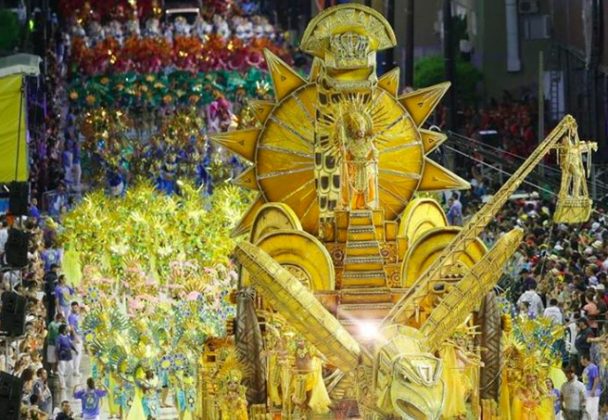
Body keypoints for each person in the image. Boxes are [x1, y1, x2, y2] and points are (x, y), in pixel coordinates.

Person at [56, 324, 77, 402]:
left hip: (69, 355)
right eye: (65, 328)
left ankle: (66, 380)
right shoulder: (59, 337)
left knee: (71, 368)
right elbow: (57, 347)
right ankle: (62, 384)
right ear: (62, 330)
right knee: (61, 370)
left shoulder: (67, 336)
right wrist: (58, 355)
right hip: (62, 356)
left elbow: (70, 344)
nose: (67, 329)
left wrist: (75, 350)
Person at [581, 353, 601, 420]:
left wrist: (593, 390)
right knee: (588, 410)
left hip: (593, 392)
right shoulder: (586, 368)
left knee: (593, 410)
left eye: (581, 359)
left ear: (585, 359)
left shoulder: (593, 367)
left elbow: (596, 378)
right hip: (588, 392)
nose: (580, 361)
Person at [67, 301, 82, 376]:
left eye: (75, 307)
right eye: (73, 308)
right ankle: (75, 370)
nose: (74, 309)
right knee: (77, 353)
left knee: (78, 354)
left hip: (80, 335)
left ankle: (75, 369)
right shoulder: (71, 316)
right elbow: (72, 327)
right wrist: (75, 337)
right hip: (75, 336)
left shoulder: (78, 315)